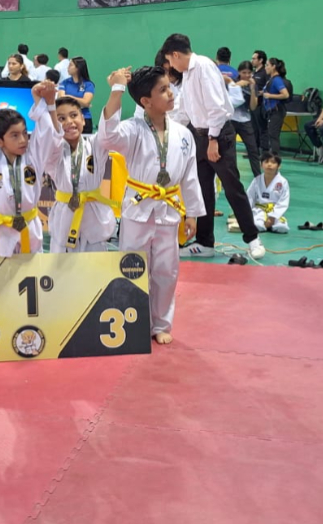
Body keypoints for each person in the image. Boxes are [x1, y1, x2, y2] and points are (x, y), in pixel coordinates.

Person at [96, 66, 205, 345]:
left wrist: (192, 213)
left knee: (167, 270)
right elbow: (107, 137)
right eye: (163, 90)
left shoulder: (183, 133)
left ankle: (161, 324)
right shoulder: (132, 129)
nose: (171, 93)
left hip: (169, 208)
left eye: (170, 87)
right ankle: (132, 321)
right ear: (146, 101)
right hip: (138, 208)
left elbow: (190, 176)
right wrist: (117, 89)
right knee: (131, 266)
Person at [160, 33, 265, 260]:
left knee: (232, 186)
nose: (171, 66)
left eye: (169, 61)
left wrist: (213, 140)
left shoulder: (204, 67)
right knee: (202, 190)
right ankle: (205, 242)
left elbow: (217, 108)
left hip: (217, 135)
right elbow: (184, 109)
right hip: (199, 136)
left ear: (175, 55)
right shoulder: (188, 74)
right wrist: (164, 128)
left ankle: (253, 238)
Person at [0, 71, 63, 256]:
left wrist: (38, 99)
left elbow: (46, 131)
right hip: (1, 229)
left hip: (30, 226)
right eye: (14, 135)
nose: (23, 140)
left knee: (33, 270)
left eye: (24, 133)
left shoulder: (34, 156)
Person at [45, 97, 117, 253]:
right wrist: (48, 104)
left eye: (73, 115)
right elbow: (50, 137)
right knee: (62, 265)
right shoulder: (54, 151)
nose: (69, 122)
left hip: (93, 217)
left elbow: (108, 125)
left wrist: (117, 90)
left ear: (83, 119)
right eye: (61, 119)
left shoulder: (95, 145)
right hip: (65, 217)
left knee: (95, 264)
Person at [245, 152, 290, 233]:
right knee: (257, 225)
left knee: (282, 228)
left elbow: (283, 202)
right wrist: (245, 213)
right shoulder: (257, 180)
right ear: (261, 165)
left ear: (279, 166)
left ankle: (271, 225)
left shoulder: (282, 182)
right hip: (259, 211)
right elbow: (249, 197)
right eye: (266, 162)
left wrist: (272, 217)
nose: (269, 164)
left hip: (275, 212)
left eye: (273, 162)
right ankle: (264, 225)